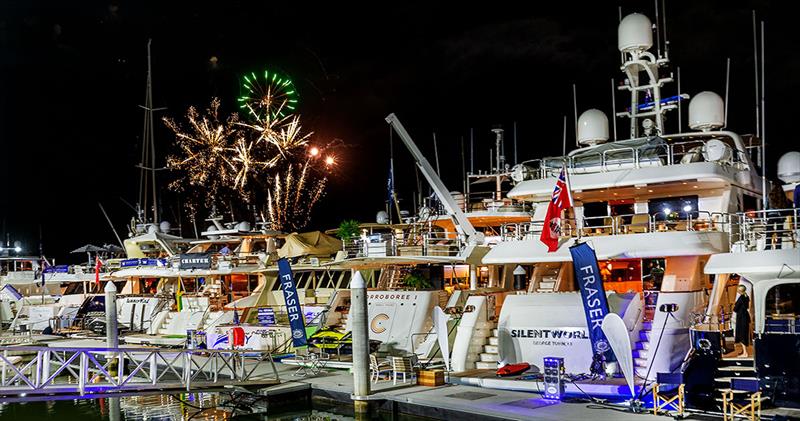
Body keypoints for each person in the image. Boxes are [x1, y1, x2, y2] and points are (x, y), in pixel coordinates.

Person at [733, 285, 751, 357]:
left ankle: (745, 353)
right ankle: (744, 351)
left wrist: (735, 304)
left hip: (741, 318)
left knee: (742, 334)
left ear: (740, 290)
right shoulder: (746, 297)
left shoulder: (741, 298)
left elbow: (735, 309)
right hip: (745, 316)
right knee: (744, 333)